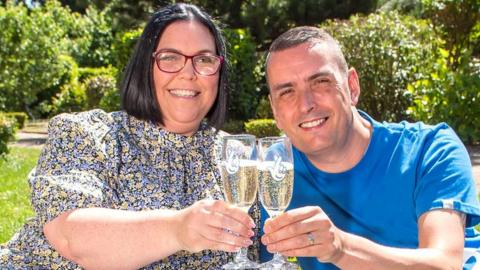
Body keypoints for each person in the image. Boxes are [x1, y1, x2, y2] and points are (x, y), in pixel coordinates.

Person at [0, 3, 258, 269]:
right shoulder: (88, 134)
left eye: (204, 59)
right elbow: (71, 237)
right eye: (170, 57)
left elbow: (262, 251)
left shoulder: (239, 157)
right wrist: (179, 228)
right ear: (146, 67)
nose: (188, 73)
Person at [259, 26, 480, 269]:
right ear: (275, 111)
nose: (306, 104)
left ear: (352, 87)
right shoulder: (272, 170)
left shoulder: (430, 150)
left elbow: (445, 264)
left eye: (321, 82)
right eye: (287, 92)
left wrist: (340, 248)